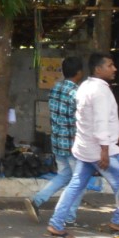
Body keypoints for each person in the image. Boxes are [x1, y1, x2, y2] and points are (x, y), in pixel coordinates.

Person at [46, 53, 119, 238]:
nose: (114, 69)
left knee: (75, 185)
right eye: (110, 65)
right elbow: (100, 122)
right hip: (99, 150)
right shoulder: (101, 91)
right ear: (98, 69)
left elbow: (90, 120)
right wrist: (105, 151)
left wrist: (116, 135)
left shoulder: (84, 86)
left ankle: (56, 223)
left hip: (84, 148)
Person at [24, 57, 86, 224]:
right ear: (79, 72)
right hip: (73, 144)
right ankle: (69, 216)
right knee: (78, 181)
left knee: (64, 175)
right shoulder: (77, 93)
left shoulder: (56, 88)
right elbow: (77, 121)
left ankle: (37, 200)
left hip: (57, 141)